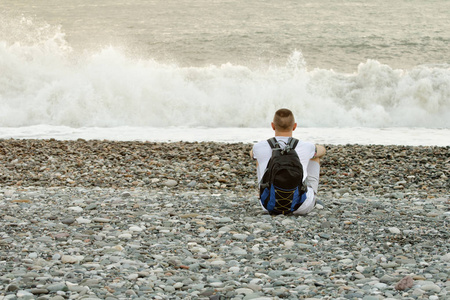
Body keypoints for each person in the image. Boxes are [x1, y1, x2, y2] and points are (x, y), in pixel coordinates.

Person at [250, 108, 326, 215]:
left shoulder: (259, 147)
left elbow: (252, 154)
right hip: (300, 206)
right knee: (315, 157)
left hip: (268, 206)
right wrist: (314, 150)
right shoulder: (306, 146)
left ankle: (267, 193)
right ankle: (312, 194)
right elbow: (322, 151)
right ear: (294, 126)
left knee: (258, 159)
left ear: (273, 126)